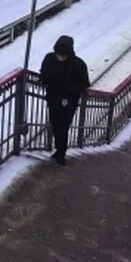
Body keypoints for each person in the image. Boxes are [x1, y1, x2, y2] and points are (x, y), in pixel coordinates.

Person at [40, 35, 90, 165]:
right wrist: (44, 80)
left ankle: (61, 153)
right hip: (53, 98)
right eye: (58, 54)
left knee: (63, 127)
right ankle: (59, 150)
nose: (60, 57)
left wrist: (68, 88)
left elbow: (84, 84)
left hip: (69, 100)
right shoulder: (49, 59)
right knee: (56, 125)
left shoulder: (78, 65)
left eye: (63, 55)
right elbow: (44, 74)